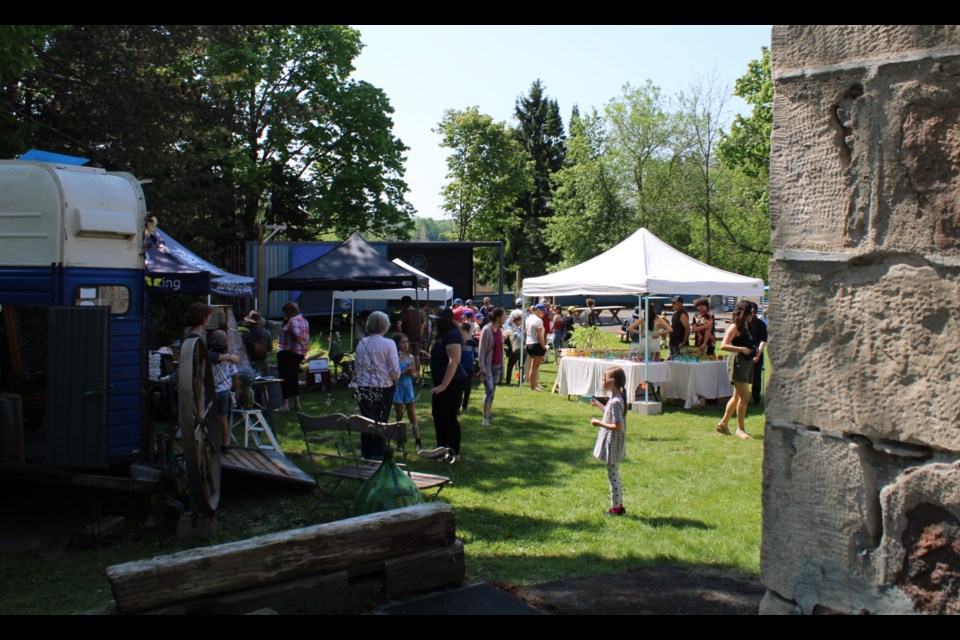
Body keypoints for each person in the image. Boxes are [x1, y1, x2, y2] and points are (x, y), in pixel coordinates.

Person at [353, 310, 400, 460]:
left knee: (366, 420)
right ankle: (379, 452)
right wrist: (395, 380)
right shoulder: (389, 343)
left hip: (364, 386)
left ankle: (366, 453)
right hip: (384, 386)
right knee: (381, 420)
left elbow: (358, 365)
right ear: (385, 325)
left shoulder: (361, 343)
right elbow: (394, 368)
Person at [430, 307, 466, 462]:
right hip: (442, 382)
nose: (434, 321)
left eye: (437, 318)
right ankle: (441, 449)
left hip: (453, 383)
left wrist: (444, 385)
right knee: (438, 416)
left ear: (445, 320)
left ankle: (453, 453)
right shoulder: (443, 334)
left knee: (449, 417)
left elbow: (454, 361)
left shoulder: (452, 334)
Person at [590, 366, 627, 516]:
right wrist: (599, 405)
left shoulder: (615, 402)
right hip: (614, 443)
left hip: (613, 443)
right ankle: (619, 505)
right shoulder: (616, 398)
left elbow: (618, 426)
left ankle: (616, 509)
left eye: (605, 379)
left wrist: (599, 423)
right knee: (614, 474)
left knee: (613, 478)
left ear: (613, 382)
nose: (603, 382)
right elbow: (610, 414)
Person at [717, 300, 756, 440]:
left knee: (737, 397)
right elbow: (723, 345)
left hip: (746, 363)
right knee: (745, 396)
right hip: (738, 362)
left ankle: (723, 424)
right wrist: (741, 349)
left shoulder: (747, 326)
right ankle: (740, 429)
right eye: (750, 313)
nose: (752, 315)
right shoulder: (734, 327)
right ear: (743, 313)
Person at [209, 329, 238, 453]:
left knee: (210, 418)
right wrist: (237, 391)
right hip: (225, 390)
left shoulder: (208, 359)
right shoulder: (230, 359)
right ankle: (225, 444)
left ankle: (211, 442)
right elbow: (235, 376)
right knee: (223, 418)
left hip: (212, 391)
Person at [392, 332, 421, 451]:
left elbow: (415, 375)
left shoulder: (411, 357)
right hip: (398, 388)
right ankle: (400, 440)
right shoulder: (394, 358)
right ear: (396, 344)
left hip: (408, 387)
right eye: (402, 342)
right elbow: (393, 376)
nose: (405, 344)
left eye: (407, 342)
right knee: (399, 416)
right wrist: (404, 372)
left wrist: (413, 374)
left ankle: (418, 440)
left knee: (412, 415)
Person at [278, 301, 309, 412]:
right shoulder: (304, 321)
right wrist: (304, 351)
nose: (285, 315)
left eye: (286, 312)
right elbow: (306, 337)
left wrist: (303, 346)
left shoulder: (293, 320)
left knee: (284, 378)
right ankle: (297, 403)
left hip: (287, 353)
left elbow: (297, 335)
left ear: (290, 311)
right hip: (297, 354)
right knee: (294, 378)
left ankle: (285, 404)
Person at [477, 307, 505, 426]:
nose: (505, 318)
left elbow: (500, 348)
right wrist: (482, 367)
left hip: (497, 365)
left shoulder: (499, 330)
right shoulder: (486, 329)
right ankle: (485, 418)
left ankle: (488, 413)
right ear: (498, 317)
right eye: (504, 316)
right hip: (488, 366)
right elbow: (481, 350)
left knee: (492, 391)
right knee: (489, 391)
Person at [748, 300, 768, 405]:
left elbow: (763, 341)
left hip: (757, 352)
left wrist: (758, 355)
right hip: (744, 354)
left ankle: (756, 399)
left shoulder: (761, 324)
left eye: (751, 312)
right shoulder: (743, 324)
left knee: (756, 377)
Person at [241, 310, 272, 376]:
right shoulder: (267, 333)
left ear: (249, 322)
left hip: (251, 364)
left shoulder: (246, 335)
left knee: (252, 385)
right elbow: (270, 349)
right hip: (264, 364)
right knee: (265, 384)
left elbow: (242, 351)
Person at [525, 303, 548, 391]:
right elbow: (539, 336)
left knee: (534, 367)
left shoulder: (528, 319)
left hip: (528, 344)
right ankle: (533, 387)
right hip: (536, 345)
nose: (544, 314)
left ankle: (535, 384)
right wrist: (544, 347)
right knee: (534, 368)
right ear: (538, 310)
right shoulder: (539, 320)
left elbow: (526, 332)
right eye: (543, 311)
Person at [398, 296, 423, 376]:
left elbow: (398, 324)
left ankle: (411, 373)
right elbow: (423, 325)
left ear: (404, 304)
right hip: (417, 338)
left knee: (408, 357)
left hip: (407, 339)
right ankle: (417, 375)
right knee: (417, 357)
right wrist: (420, 334)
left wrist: (400, 334)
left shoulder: (404, 313)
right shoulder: (419, 313)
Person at [459, 322, 477, 413]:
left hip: (469, 368)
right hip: (459, 368)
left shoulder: (472, 343)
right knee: (459, 388)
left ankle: (464, 406)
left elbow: (476, 355)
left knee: (467, 388)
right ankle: (457, 406)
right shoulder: (458, 342)